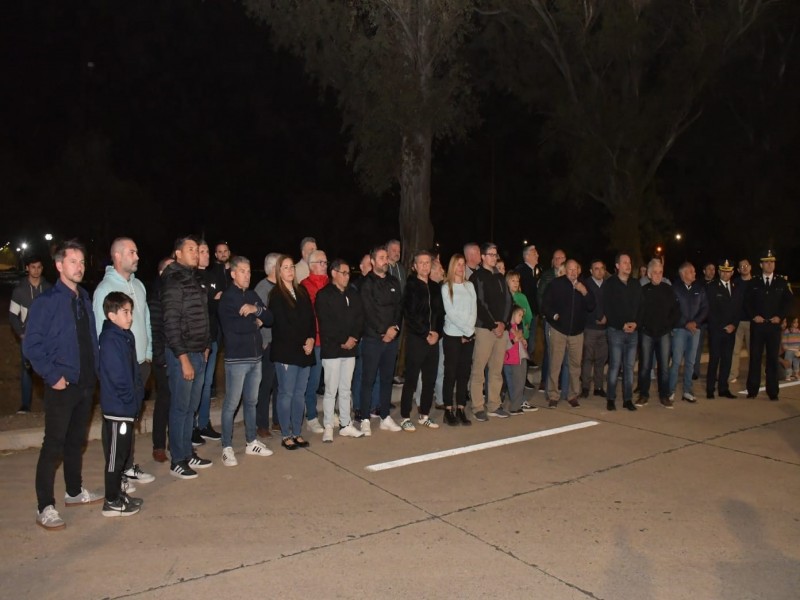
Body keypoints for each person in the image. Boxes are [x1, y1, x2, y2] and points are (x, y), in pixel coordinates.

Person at [25, 240, 103, 530]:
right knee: (53, 445)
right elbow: (32, 346)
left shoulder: (83, 298)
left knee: (75, 442)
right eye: (74, 262)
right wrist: (51, 375)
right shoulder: (46, 302)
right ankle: (45, 506)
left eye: (82, 262)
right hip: (61, 385)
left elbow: (89, 341)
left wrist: (95, 373)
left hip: (85, 384)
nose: (79, 267)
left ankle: (74, 491)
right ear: (59, 265)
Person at [91, 237, 154, 486]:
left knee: (129, 422)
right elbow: (99, 332)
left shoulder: (138, 286)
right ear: (117, 256)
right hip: (118, 367)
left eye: (137, 252)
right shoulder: (104, 290)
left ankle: (127, 467)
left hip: (140, 363)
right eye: (132, 252)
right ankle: (116, 475)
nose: (137, 256)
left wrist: (148, 352)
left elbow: (146, 319)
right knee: (116, 425)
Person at [162, 235, 213, 479]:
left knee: (191, 408)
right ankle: (178, 460)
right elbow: (171, 323)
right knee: (181, 408)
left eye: (197, 249)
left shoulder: (195, 279)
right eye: (190, 249)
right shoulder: (173, 280)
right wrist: (182, 358)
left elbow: (202, 315)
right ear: (178, 254)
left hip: (198, 351)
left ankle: (187, 451)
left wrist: (205, 346)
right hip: (182, 355)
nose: (196, 252)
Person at [218, 256, 274, 466]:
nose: (247, 275)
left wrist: (255, 310)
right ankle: (227, 447)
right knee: (232, 404)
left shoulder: (251, 295)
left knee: (252, 401)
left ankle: (251, 441)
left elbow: (270, 318)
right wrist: (255, 321)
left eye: (249, 271)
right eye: (242, 271)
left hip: (255, 358)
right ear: (233, 274)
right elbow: (233, 328)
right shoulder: (228, 298)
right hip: (237, 360)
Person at [98, 291, 145, 517]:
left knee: (123, 453)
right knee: (115, 458)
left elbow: (134, 371)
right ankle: (111, 500)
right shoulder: (109, 340)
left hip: (127, 408)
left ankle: (118, 494)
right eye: (125, 312)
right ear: (111, 315)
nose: (130, 317)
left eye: (131, 312)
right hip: (118, 410)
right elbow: (118, 377)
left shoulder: (125, 336)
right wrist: (130, 400)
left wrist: (138, 397)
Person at [316, 258, 365, 441]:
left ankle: (346, 424)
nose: (346, 276)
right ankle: (328, 424)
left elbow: (360, 318)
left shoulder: (353, 294)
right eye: (343, 273)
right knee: (331, 390)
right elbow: (326, 323)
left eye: (348, 273)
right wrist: (342, 339)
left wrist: (354, 338)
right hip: (332, 349)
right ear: (334, 273)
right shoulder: (324, 295)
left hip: (350, 349)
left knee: (345, 389)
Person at [270, 255, 316, 449]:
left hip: (305, 350)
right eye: (285, 267)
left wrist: (311, 339)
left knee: (299, 394)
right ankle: (286, 433)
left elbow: (310, 319)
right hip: (287, 351)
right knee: (286, 393)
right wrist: (302, 342)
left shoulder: (302, 290)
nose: (290, 270)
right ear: (279, 272)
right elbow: (282, 325)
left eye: (291, 267)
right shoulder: (276, 294)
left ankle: (297, 432)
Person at [359, 246, 404, 433]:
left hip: (391, 339)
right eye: (381, 258)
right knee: (368, 379)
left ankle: (385, 416)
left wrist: (394, 328)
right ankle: (364, 419)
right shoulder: (366, 283)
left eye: (386, 258)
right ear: (372, 261)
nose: (385, 261)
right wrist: (382, 331)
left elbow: (399, 308)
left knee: (387, 379)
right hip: (373, 339)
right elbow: (368, 311)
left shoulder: (394, 281)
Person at [399, 250, 444, 431]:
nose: (425, 266)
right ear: (415, 266)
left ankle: (424, 414)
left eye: (428, 263)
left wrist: (437, 333)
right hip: (418, 339)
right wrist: (426, 333)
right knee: (411, 378)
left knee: (429, 378)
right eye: (421, 263)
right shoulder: (411, 286)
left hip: (433, 339)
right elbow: (409, 315)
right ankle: (404, 416)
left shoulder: (435, 287)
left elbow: (440, 314)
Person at [540, 259, 595, 408]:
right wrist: (554, 316)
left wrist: (584, 292)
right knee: (555, 363)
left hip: (577, 332)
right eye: (570, 269)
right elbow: (545, 304)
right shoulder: (556, 284)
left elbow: (591, 306)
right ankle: (553, 395)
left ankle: (572, 395)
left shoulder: (584, 285)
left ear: (579, 270)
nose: (572, 272)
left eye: (575, 269)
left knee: (575, 365)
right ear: (565, 270)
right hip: (558, 330)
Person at [469, 243, 513, 420]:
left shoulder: (500, 277)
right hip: (484, 329)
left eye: (496, 254)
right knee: (479, 370)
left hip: (501, 330)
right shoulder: (477, 277)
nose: (494, 258)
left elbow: (508, 301)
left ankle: (494, 404)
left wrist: (503, 323)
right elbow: (478, 303)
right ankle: (478, 406)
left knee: (496, 370)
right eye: (491, 254)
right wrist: (493, 324)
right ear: (483, 257)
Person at [745, 250, 793, 400]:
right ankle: (752, 390)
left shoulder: (782, 282)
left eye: (772, 262)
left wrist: (780, 316)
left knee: (772, 359)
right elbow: (747, 302)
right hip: (758, 327)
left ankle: (773, 392)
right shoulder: (754, 282)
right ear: (761, 264)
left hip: (773, 327)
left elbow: (788, 302)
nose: (770, 264)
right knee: (755, 358)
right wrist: (754, 316)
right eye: (766, 262)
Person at [9, 255, 51, 414]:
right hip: (28, 338)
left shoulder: (49, 289)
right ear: (27, 268)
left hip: (46, 338)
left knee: (48, 370)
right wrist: (21, 333)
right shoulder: (20, 290)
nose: (36, 270)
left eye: (39, 267)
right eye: (33, 267)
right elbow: (13, 315)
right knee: (27, 370)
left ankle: (50, 404)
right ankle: (25, 405)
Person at [637, 259, 679, 408]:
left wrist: (669, 325)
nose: (658, 275)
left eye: (660, 272)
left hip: (664, 334)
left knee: (664, 367)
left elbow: (676, 311)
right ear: (649, 274)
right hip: (647, 334)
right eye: (655, 272)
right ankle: (643, 395)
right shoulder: (643, 291)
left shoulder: (668, 290)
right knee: (645, 366)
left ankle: (664, 396)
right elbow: (638, 312)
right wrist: (641, 327)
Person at [441, 254, 477, 426]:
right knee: (451, 373)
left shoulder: (470, 286)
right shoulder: (446, 287)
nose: (461, 267)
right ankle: (448, 409)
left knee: (464, 373)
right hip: (452, 336)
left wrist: (469, 332)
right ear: (452, 267)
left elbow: (473, 310)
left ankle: (461, 408)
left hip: (468, 335)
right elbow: (451, 313)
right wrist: (466, 331)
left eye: (463, 264)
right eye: (458, 264)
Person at [193, 241, 223, 446]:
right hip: (196, 340)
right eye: (200, 251)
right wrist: (213, 300)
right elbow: (205, 305)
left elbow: (219, 303)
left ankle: (204, 424)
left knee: (206, 384)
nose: (204, 255)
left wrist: (213, 300)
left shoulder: (213, 277)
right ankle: (192, 426)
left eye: (205, 251)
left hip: (212, 337)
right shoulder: (191, 277)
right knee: (195, 385)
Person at [603, 253, 641, 411]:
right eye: (624, 262)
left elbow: (641, 307)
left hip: (633, 332)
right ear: (617, 266)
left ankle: (627, 399)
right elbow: (608, 308)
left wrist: (636, 323)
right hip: (616, 332)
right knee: (615, 366)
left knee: (629, 367)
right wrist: (621, 324)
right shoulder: (610, 284)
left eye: (629, 262)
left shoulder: (635, 284)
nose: (628, 265)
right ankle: (611, 398)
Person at [669, 262, 708, 404]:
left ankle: (687, 391)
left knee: (691, 362)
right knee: (676, 362)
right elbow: (673, 310)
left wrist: (695, 323)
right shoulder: (675, 288)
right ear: (683, 273)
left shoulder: (699, 288)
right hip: (680, 329)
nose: (694, 274)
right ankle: (670, 391)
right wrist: (686, 323)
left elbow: (705, 308)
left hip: (695, 330)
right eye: (691, 271)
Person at [300, 250, 330, 434]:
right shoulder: (304, 286)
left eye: (326, 262)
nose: (325, 265)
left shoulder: (331, 283)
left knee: (330, 381)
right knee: (313, 381)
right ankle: (311, 416)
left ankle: (329, 413)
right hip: (316, 340)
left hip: (332, 340)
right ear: (311, 266)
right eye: (321, 262)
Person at [705, 259, 742, 399]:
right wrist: (721, 326)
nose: (725, 274)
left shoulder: (735, 287)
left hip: (731, 330)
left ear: (732, 272)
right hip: (716, 330)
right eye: (723, 271)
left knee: (727, 360)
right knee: (714, 359)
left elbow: (738, 309)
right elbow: (710, 310)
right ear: (719, 271)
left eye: (728, 271)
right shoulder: (712, 287)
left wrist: (734, 325)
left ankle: (723, 388)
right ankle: (710, 389)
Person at [148, 256, 173, 462]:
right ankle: (158, 445)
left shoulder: (175, 293)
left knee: (179, 402)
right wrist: (160, 357)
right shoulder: (156, 295)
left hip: (178, 354)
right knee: (164, 401)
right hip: (162, 356)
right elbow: (155, 330)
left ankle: (176, 441)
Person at [254, 252, 280, 437]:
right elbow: (260, 316)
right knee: (266, 385)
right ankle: (262, 424)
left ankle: (278, 420)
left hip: (282, 343)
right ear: (273, 268)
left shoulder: (282, 287)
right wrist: (264, 340)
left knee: (280, 384)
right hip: (268, 343)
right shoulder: (262, 288)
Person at [580, 260, 607, 398]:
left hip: (604, 328)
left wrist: (606, 317)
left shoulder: (607, 285)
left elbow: (611, 303)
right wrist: (595, 317)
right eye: (596, 269)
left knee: (601, 359)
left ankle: (598, 386)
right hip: (590, 327)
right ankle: (585, 387)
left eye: (602, 268)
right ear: (591, 271)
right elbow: (585, 305)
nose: (599, 271)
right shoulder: (586, 284)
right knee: (587, 358)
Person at [515, 244, 541, 377]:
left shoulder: (534, 271)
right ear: (527, 256)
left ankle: (525, 370)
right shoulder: (521, 271)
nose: (538, 255)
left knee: (530, 344)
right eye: (534, 253)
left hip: (533, 314)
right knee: (524, 344)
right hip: (524, 315)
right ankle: (522, 376)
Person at [729, 259, 754, 384]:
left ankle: (754, 375)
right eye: (741, 266)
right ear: (738, 270)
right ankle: (733, 374)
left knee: (753, 350)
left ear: (750, 267)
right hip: (738, 321)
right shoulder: (735, 284)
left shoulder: (756, 283)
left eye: (746, 265)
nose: (744, 268)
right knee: (735, 349)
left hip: (752, 321)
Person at [504, 306, 531, 415]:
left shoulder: (516, 328)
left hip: (518, 358)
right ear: (512, 314)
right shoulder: (508, 329)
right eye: (519, 315)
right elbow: (504, 344)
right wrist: (514, 340)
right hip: (512, 359)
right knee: (517, 383)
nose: (521, 318)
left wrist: (523, 340)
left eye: (522, 316)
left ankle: (516, 405)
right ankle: (514, 407)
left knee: (519, 382)